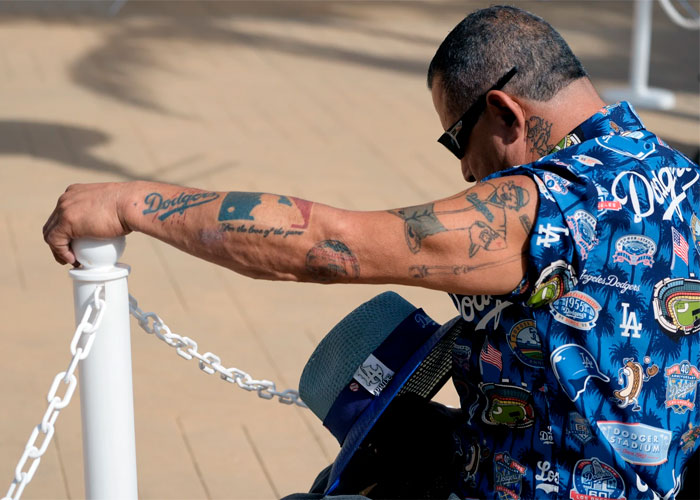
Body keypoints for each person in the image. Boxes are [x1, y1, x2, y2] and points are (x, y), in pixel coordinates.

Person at [43, 5, 699, 499]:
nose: (468, 174)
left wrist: (135, 203)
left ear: (503, 113)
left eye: (455, 140)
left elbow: (328, 245)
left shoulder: (539, 207)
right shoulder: (680, 175)